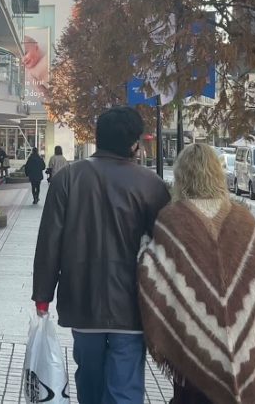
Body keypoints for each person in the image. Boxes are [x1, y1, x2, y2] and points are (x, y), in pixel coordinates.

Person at [138, 144, 255, 403]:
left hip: (193, 340)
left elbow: (153, 273)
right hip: (246, 344)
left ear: (181, 176)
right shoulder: (242, 218)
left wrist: (143, 247)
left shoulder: (172, 218)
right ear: (217, 174)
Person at [32, 107, 171, 404]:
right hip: (132, 306)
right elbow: (167, 248)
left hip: (82, 301)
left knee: (89, 380)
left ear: (98, 138)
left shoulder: (67, 179)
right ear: (133, 144)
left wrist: (43, 295)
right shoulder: (151, 185)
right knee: (125, 386)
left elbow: (49, 243)